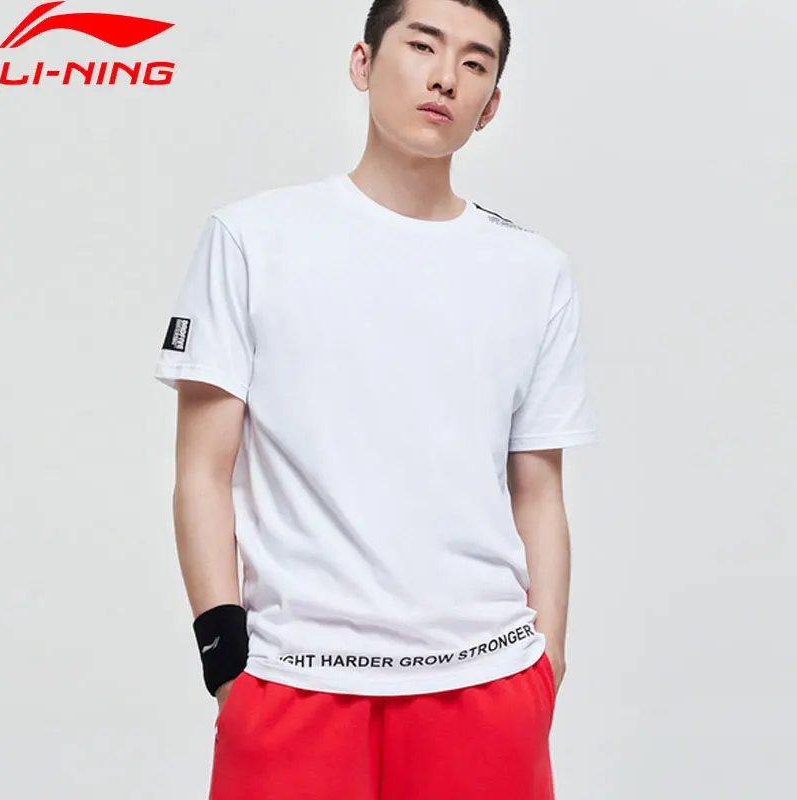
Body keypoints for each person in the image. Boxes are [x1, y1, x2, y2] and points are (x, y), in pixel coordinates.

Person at [153, 0, 598, 797]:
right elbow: (202, 472)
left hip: (487, 681)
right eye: (422, 45)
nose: (445, 77)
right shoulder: (252, 239)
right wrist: (226, 662)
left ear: (491, 105)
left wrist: (548, 661)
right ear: (362, 63)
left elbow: (539, 486)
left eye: (474, 63)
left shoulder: (534, 271)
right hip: (295, 680)